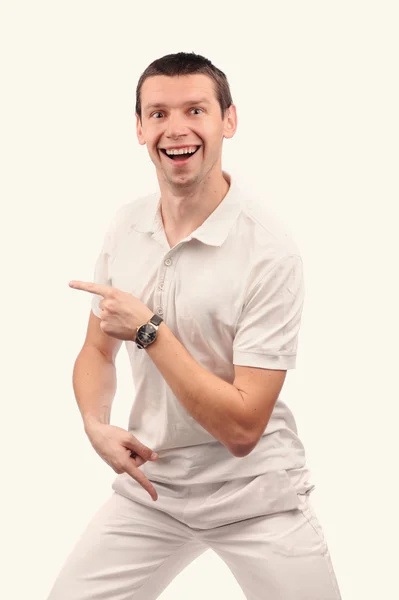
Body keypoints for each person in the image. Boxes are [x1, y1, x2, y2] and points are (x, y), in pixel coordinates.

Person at [47, 52, 342, 599]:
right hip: (154, 488)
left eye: (195, 110)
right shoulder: (126, 225)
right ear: (139, 128)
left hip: (256, 496)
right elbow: (95, 350)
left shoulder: (269, 253)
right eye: (158, 113)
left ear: (228, 121)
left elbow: (242, 429)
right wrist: (95, 422)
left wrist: (149, 330)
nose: (175, 128)